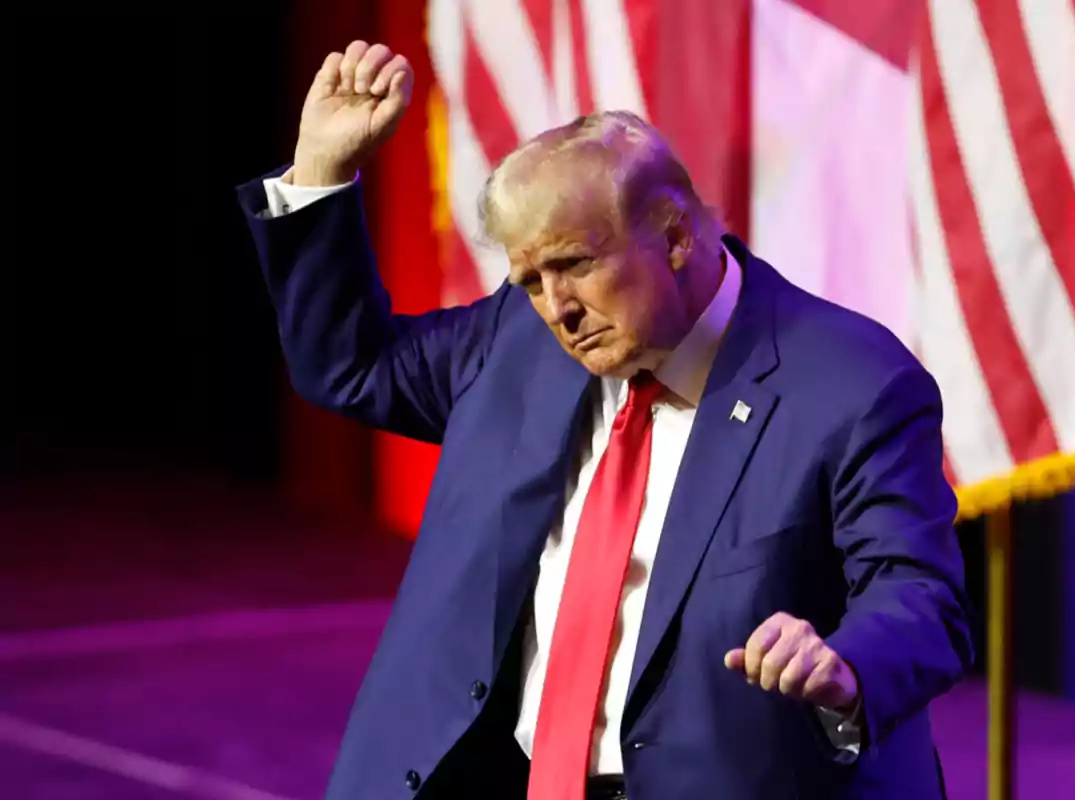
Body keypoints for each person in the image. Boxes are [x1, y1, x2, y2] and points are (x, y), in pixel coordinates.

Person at [238, 40, 972, 800]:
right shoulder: (522, 343)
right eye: (529, 280)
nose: (556, 309)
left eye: (575, 266)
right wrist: (320, 172)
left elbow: (921, 594)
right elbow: (354, 366)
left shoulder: (849, 384)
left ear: (677, 237)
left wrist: (846, 665)